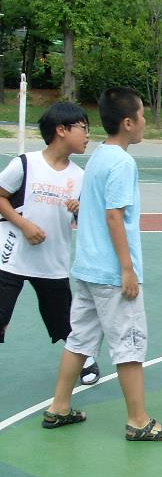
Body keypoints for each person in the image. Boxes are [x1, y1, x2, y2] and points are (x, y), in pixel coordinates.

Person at [41, 87, 162, 441]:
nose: (146, 122)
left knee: (80, 340)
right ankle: (138, 421)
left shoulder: (99, 156)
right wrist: (127, 269)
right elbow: (114, 216)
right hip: (110, 273)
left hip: (86, 268)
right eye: (143, 116)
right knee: (129, 344)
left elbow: (90, 204)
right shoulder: (122, 162)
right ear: (128, 122)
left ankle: (59, 406)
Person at [0, 102, 100, 384]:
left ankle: (86, 359)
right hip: (11, 256)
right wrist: (24, 225)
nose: (88, 135)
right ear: (61, 130)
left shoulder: (80, 177)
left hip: (52, 261)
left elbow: (87, 218)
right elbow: (1, 197)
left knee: (64, 319)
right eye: (83, 128)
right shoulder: (25, 164)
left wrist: (80, 208)